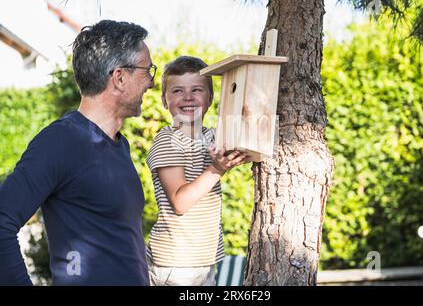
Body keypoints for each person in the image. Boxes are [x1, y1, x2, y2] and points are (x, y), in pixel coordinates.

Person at [0, 20, 155, 286]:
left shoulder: (120, 145)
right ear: (119, 78)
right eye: (147, 70)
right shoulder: (62, 141)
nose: (152, 82)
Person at [146, 56, 250, 286]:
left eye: (197, 89)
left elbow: (249, 141)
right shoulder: (167, 140)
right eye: (177, 91)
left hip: (204, 260)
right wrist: (217, 169)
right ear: (164, 100)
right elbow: (180, 202)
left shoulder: (212, 136)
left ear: (210, 98)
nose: (188, 97)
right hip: (175, 264)